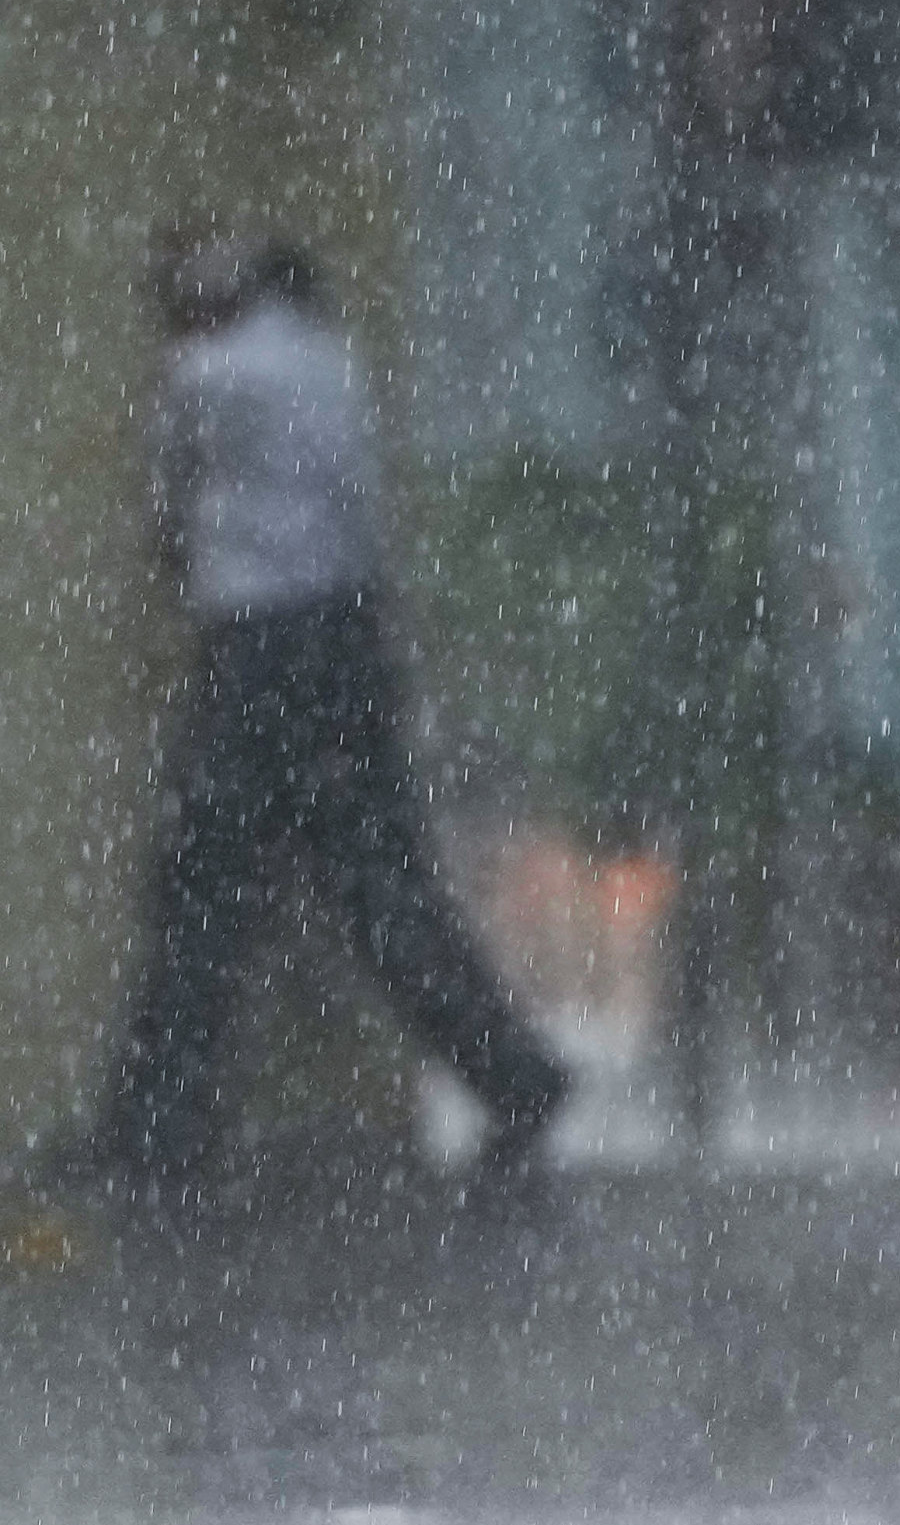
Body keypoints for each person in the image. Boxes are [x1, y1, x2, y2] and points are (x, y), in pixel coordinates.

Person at [92, 237, 572, 1214]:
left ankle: (156, 1129)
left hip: (257, 653)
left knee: (199, 890)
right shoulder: (333, 364)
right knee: (385, 891)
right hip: (346, 648)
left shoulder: (203, 374)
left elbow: (169, 526)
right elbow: (361, 518)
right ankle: (515, 1076)